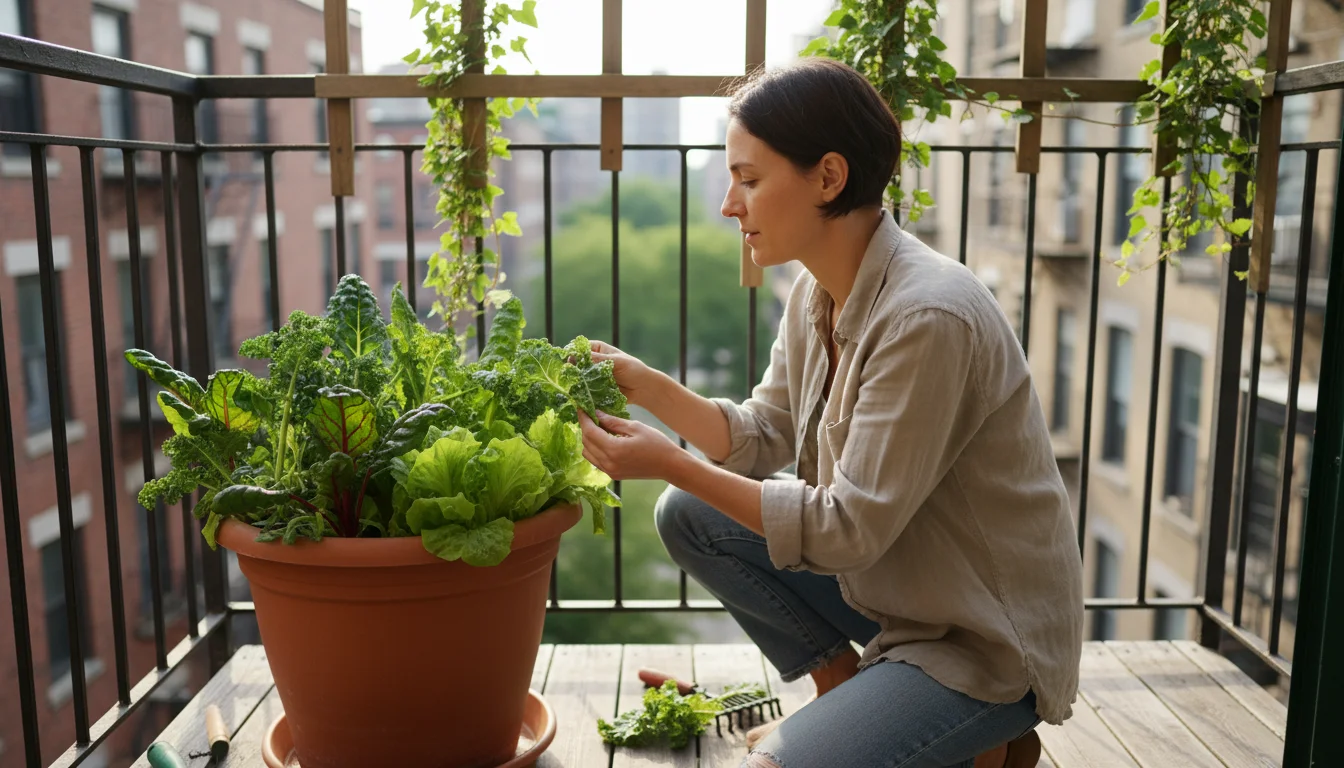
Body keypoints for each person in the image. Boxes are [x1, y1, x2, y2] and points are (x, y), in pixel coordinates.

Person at [576, 58, 1084, 768]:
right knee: (687, 515)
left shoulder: (926, 315)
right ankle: (848, 693)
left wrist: (669, 461)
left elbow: (847, 529)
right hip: (901, 595)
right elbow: (761, 437)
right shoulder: (817, 294)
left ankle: (984, 729)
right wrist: (651, 388)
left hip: (979, 638)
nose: (730, 205)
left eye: (748, 180)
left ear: (828, 177)